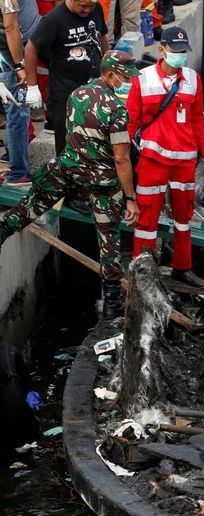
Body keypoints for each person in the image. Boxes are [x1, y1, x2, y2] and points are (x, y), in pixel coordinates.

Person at [0, 50, 139, 319]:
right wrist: (130, 197)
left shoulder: (77, 94)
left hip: (69, 168)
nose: (128, 83)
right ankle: (112, 302)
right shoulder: (117, 110)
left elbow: (71, 131)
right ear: (110, 75)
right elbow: (121, 159)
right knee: (108, 237)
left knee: (37, 199)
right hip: (102, 180)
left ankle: (5, 228)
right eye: (124, 77)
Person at [127, 25, 204, 287]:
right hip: (153, 159)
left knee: (184, 217)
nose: (179, 56)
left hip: (185, 160)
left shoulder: (193, 79)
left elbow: (198, 120)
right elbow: (131, 122)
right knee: (146, 218)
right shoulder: (142, 79)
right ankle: (142, 273)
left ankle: (182, 268)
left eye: (183, 51)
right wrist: (125, 153)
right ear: (162, 50)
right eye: (174, 51)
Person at [25, 0, 108, 155]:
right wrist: (32, 86)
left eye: (91, 6)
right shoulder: (54, 19)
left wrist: (107, 65)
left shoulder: (96, 9)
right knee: (67, 147)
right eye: (83, 6)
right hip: (65, 95)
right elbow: (31, 48)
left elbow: (102, 35)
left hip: (94, 90)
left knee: (95, 142)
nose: (87, 10)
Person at [0, 0, 41, 185]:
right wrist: (18, 65)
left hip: (8, 53)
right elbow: (10, 26)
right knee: (17, 112)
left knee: (16, 113)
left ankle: (13, 163)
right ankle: (18, 173)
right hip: (8, 55)